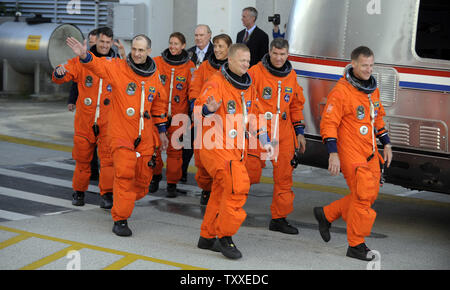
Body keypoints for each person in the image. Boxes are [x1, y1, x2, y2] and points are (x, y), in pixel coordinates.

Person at [65, 34, 169, 237]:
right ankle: (120, 219)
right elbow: (99, 67)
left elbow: (159, 103)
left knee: (143, 180)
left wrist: (162, 131)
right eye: (135, 49)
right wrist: (85, 55)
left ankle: (125, 201)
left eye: (141, 50)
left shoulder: (154, 75)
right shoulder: (119, 68)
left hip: (144, 133)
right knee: (123, 174)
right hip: (121, 133)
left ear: (149, 51)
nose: (137, 54)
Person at [196, 43, 274, 260]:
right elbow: (198, 110)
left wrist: (264, 139)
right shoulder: (216, 83)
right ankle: (225, 236)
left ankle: (207, 236)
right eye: (242, 61)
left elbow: (254, 116)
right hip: (215, 147)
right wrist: (207, 110)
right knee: (236, 187)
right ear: (229, 60)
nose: (246, 64)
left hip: (234, 149)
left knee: (221, 191)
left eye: (248, 61)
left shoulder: (247, 86)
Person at [315, 46, 393, 261]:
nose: (368, 69)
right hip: (350, 152)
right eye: (364, 65)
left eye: (371, 65)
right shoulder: (341, 91)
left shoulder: (371, 89)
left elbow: (377, 118)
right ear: (353, 64)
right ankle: (356, 244)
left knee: (369, 195)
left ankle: (327, 213)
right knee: (363, 196)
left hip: (370, 151)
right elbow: (328, 123)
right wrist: (333, 154)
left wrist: (386, 143)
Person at [52, 27, 119, 210]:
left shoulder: (118, 64)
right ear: (94, 41)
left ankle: (106, 194)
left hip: (107, 122)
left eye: (108, 42)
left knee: (107, 161)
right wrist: (59, 73)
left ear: (112, 42)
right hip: (85, 121)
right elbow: (64, 72)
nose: (104, 45)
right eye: (101, 42)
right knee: (82, 160)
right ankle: (79, 192)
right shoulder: (81, 61)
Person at [248, 38, 306, 235]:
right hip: (259, 131)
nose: (279, 58)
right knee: (247, 173)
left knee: (284, 177)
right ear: (269, 52)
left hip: (283, 132)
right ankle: (228, 209)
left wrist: (299, 132)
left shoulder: (292, 75)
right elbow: (245, 99)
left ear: (287, 54)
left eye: (283, 54)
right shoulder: (256, 72)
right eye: (275, 54)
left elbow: (297, 105)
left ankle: (279, 219)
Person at [189, 33, 232, 205]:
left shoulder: (235, 69)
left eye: (221, 46)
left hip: (225, 124)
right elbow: (194, 89)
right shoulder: (205, 67)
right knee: (202, 162)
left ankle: (221, 190)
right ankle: (206, 189)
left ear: (229, 48)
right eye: (215, 46)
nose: (217, 49)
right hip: (205, 120)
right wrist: (195, 108)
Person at [151, 32, 196, 197]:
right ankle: (155, 176)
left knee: (175, 153)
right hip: (159, 114)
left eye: (176, 44)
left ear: (183, 45)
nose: (173, 47)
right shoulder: (157, 62)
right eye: (171, 43)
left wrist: (193, 111)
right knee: (154, 148)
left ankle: (171, 183)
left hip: (179, 115)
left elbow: (193, 90)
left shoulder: (190, 66)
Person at [67, 29, 100, 182]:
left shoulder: (111, 60)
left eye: (95, 42)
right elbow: (75, 82)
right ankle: (92, 172)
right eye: (91, 42)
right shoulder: (82, 59)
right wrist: (72, 100)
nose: (92, 45)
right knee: (87, 144)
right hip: (87, 111)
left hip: (105, 112)